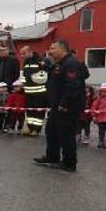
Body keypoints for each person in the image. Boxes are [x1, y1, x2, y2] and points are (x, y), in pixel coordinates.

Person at [34, 39, 85, 172]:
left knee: (66, 135)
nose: (50, 52)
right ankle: (52, 157)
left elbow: (73, 86)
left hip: (67, 107)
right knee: (51, 131)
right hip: (56, 105)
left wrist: (65, 104)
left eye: (53, 49)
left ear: (62, 49)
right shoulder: (58, 64)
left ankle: (69, 163)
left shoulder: (71, 63)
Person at [20, 45, 49, 136]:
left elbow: (46, 73)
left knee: (38, 112)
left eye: (24, 53)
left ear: (30, 51)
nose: (22, 56)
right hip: (28, 92)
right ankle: (30, 128)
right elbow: (24, 76)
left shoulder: (40, 60)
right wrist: (23, 86)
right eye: (21, 54)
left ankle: (36, 130)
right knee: (29, 111)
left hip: (39, 92)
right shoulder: (26, 62)